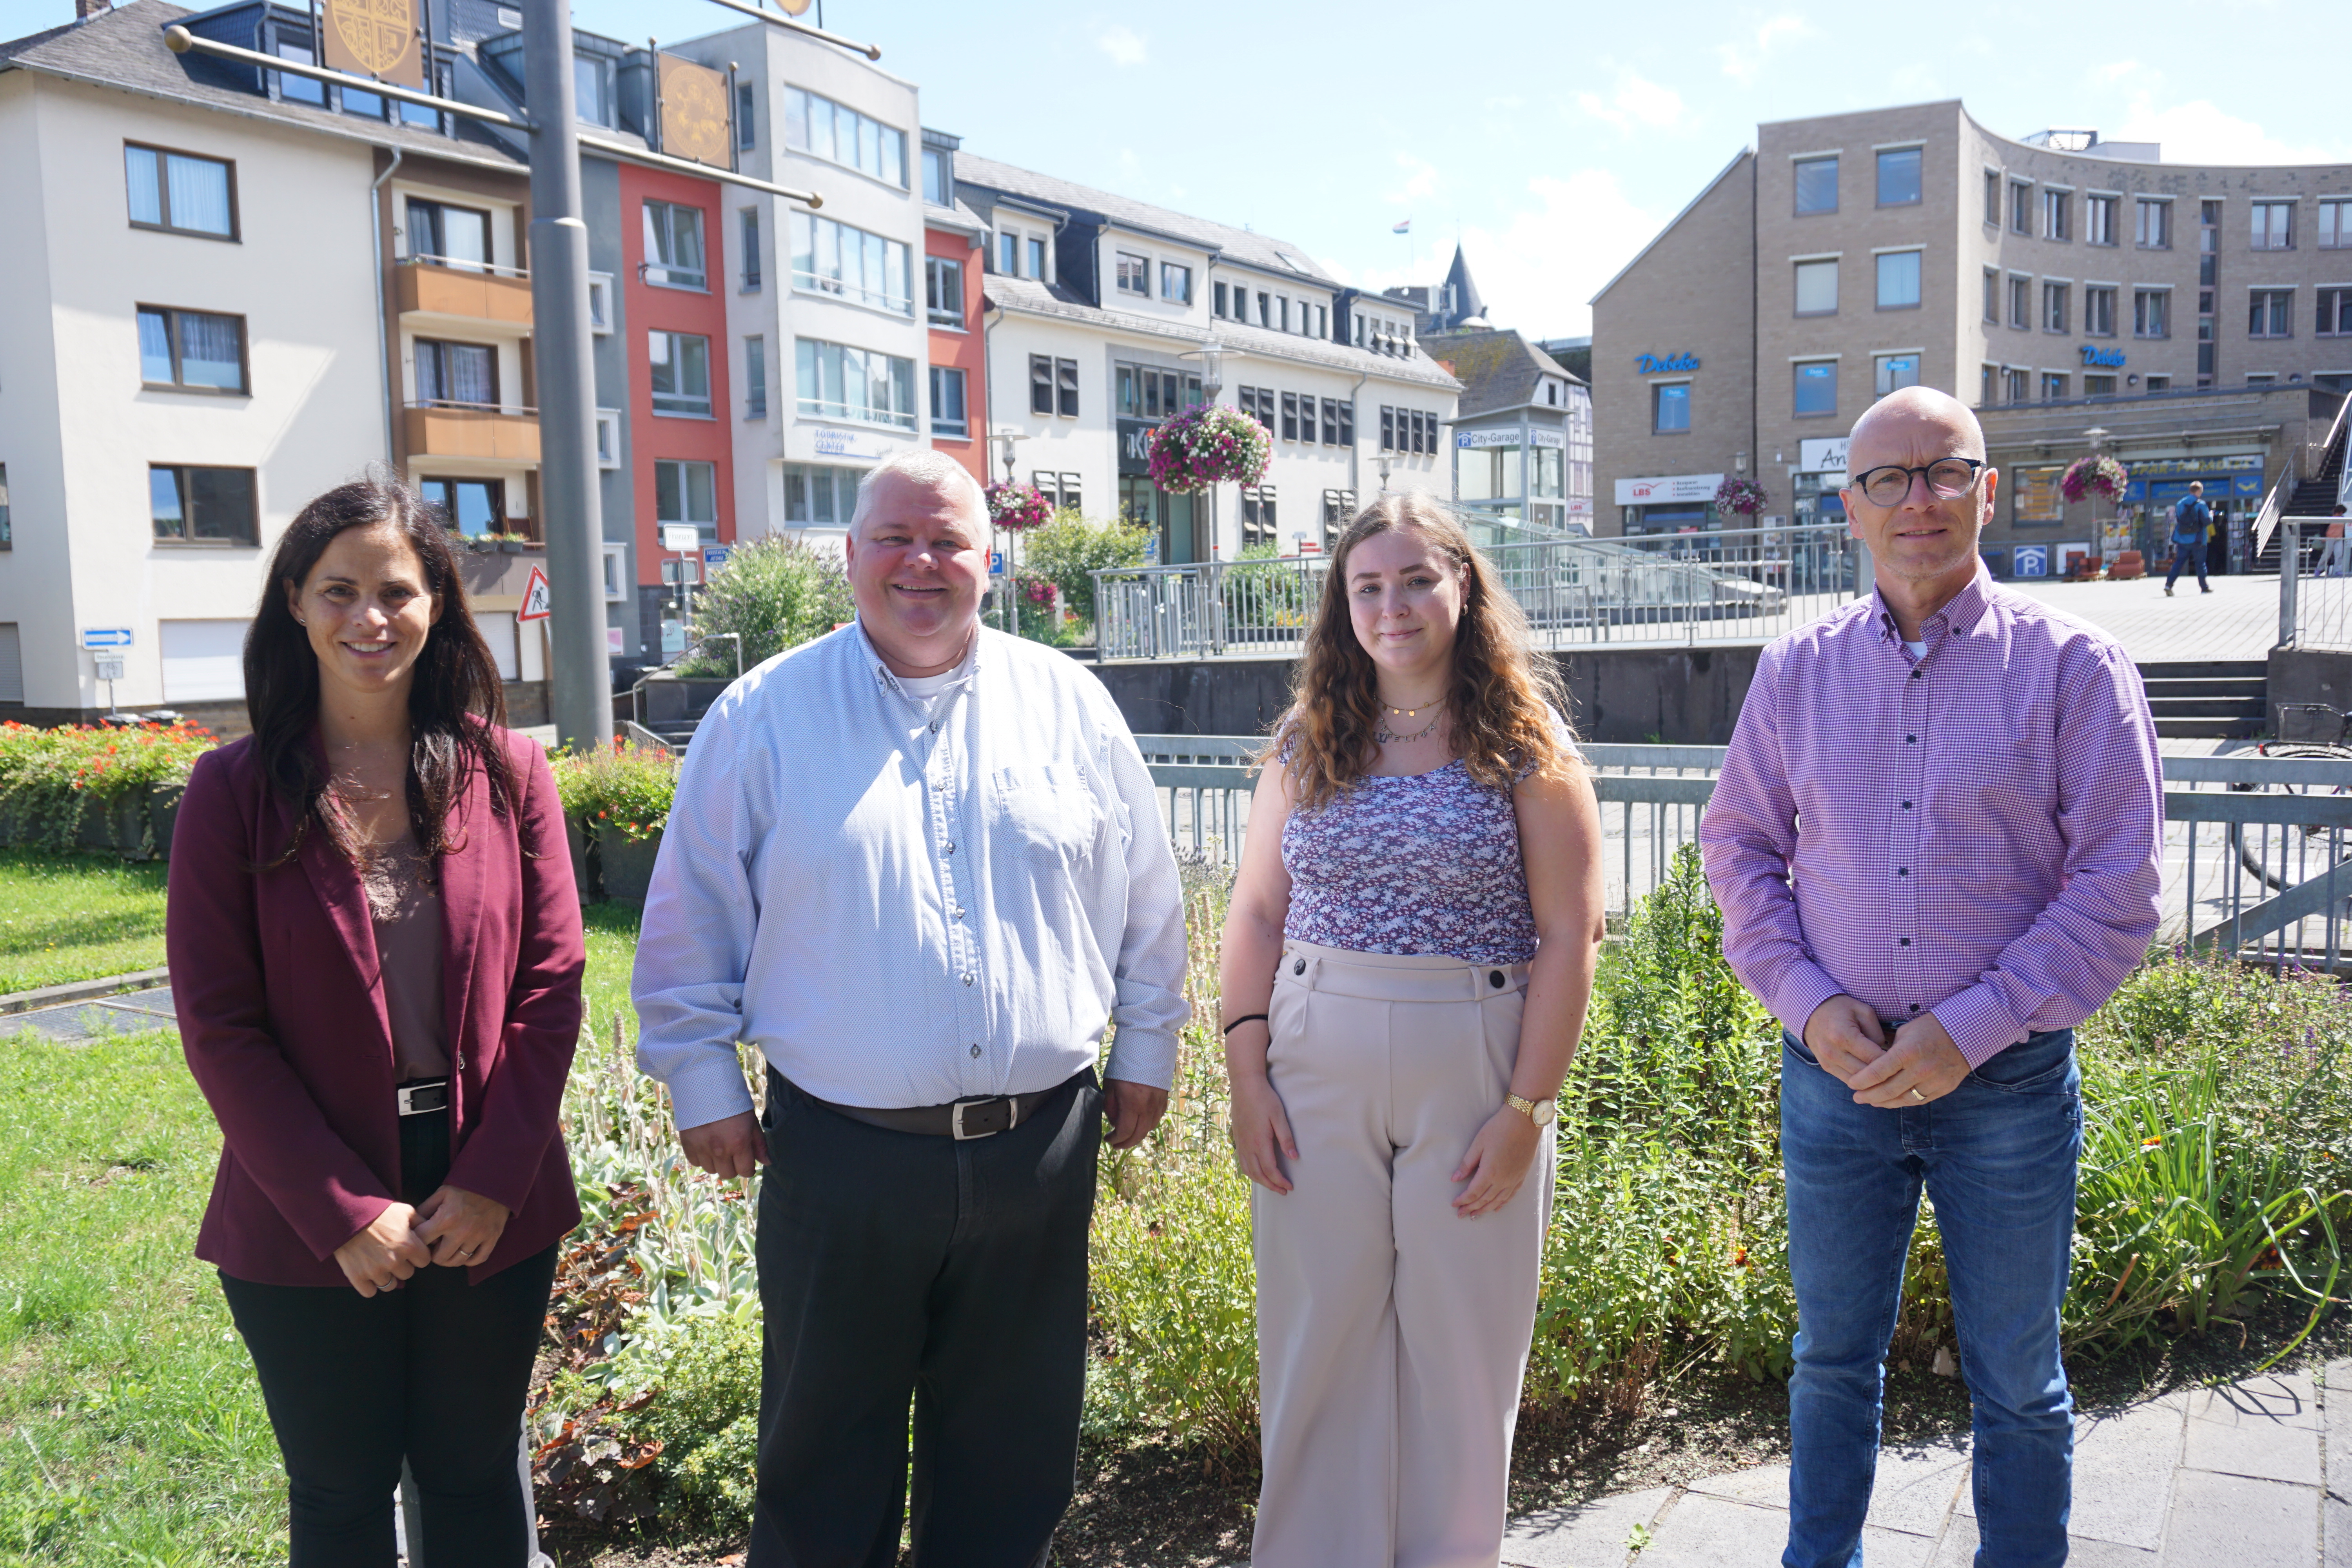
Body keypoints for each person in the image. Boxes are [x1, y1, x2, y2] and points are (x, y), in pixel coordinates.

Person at [632, 448, 1188, 1567]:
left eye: (947, 541)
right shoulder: (765, 713)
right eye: (894, 538)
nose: (920, 563)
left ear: (991, 559)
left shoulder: (1070, 705)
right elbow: (691, 912)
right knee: (822, 1462)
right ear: (851, 558)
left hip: (1041, 1146)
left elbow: (1146, 891)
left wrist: (1149, 1044)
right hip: (843, 1159)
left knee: (1012, 1457)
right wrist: (700, 1079)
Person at [1700, 386, 2163, 1568]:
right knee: (1826, 1361)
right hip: (1834, 1083)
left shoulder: (2072, 668)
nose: (1917, 500)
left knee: (2017, 1380)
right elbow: (1737, 848)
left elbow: (2116, 888)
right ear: (1848, 507)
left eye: (1942, 471)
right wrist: (1805, 1002)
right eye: (1886, 480)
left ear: (1987, 489)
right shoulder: (1795, 670)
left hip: (2002, 1086)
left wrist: (1971, 1025)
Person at [168, 478, 585, 1564]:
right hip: (306, 1203)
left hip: (488, 1189)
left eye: (396, 591)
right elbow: (220, 1026)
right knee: (343, 1494)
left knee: (472, 1474)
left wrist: (495, 1175)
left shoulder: (513, 772)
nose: (370, 618)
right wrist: (345, 1209)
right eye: (338, 591)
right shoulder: (232, 791)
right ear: (296, 607)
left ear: (439, 603)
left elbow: (553, 985)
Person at [1220, 494, 1606, 1568]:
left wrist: (1528, 1112)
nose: (1391, 606)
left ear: (1464, 586)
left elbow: (1572, 936)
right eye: (1367, 587)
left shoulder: (1526, 743)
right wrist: (1245, 1076)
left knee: (1461, 1359)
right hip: (1312, 1059)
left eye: (1416, 580)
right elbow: (1255, 912)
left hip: (1474, 1061)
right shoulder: (1308, 739)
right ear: (1343, 607)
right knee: (1315, 1349)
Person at [2165, 480, 2213, 595]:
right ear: (2199, 491)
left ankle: (2169, 585)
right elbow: (2206, 522)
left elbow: (2179, 519)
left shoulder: (2180, 503)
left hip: (2183, 539)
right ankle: (2204, 587)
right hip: (2198, 539)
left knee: (2179, 563)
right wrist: (2211, 516)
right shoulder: (2201, 504)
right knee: (2200, 564)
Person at [2318, 503, 2350, 577]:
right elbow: (2322, 527)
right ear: (2338, 511)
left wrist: (2344, 537)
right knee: (2326, 555)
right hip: (2329, 538)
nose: (2341, 514)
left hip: (2339, 538)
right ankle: (2319, 569)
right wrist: (2323, 537)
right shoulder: (2329, 517)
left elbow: (2343, 529)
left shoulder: (2342, 518)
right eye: (2340, 512)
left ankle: (2338, 570)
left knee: (2339, 555)